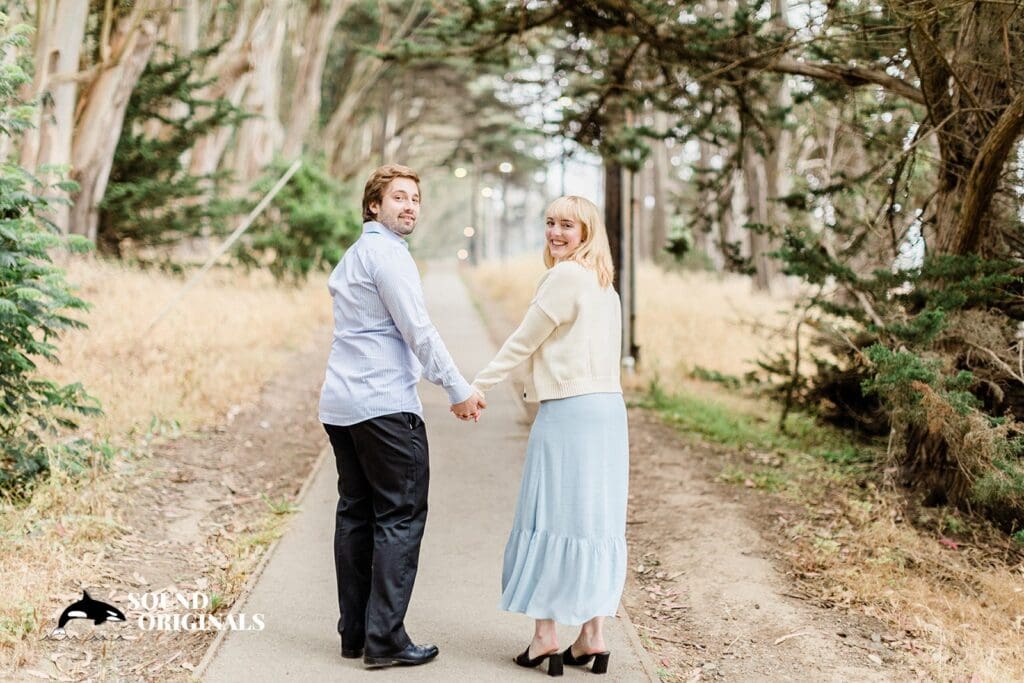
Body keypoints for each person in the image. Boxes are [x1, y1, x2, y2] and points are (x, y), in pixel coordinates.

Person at [319, 163, 486, 669]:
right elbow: (419, 330)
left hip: (342, 405)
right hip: (384, 407)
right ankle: (386, 639)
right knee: (399, 516)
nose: (410, 205)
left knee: (356, 513)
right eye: (398, 197)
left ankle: (356, 634)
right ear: (374, 205)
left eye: (415, 198)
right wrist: (458, 389)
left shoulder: (353, 256)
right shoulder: (387, 257)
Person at [470, 195, 628, 677]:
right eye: (551, 223)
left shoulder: (564, 277)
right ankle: (593, 638)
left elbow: (524, 338)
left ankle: (544, 638)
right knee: (595, 520)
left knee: (551, 513)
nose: (556, 233)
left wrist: (478, 386)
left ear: (587, 233)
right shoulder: (606, 285)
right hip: (609, 413)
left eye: (568, 226)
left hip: (571, 412)